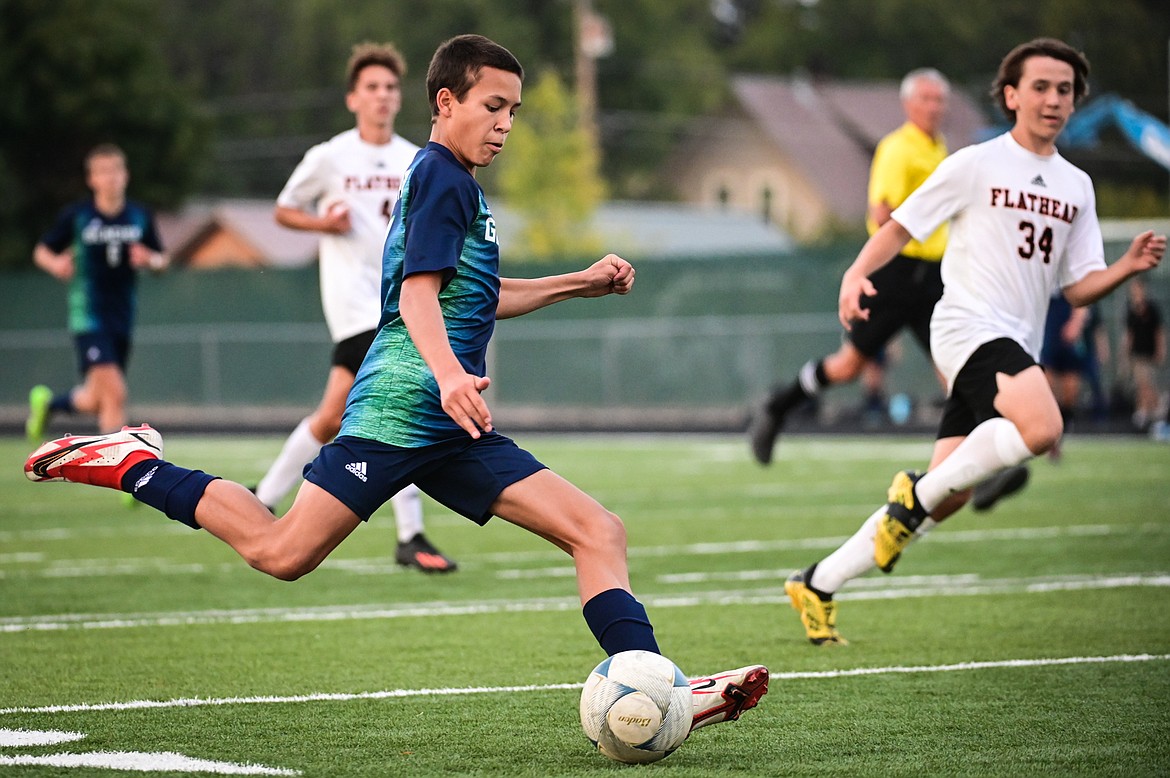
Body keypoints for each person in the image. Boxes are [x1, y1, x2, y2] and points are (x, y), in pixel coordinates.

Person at [25, 34, 769, 731]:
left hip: (452, 428)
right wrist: (449, 376)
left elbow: (479, 295)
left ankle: (660, 685)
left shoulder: (459, 186)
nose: (506, 123)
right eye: (493, 106)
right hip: (395, 415)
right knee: (282, 552)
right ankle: (134, 462)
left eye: (514, 110)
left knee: (597, 531)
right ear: (445, 102)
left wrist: (582, 282)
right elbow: (416, 297)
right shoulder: (442, 176)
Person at [781, 37, 1165, 645]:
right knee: (1043, 428)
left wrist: (1126, 268)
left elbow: (1080, 285)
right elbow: (902, 226)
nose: (1053, 99)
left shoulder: (1077, 187)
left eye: (1065, 90)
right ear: (1011, 95)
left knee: (946, 497)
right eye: (1040, 87)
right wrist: (856, 273)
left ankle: (819, 582)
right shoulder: (975, 163)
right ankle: (912, 494)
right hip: (965, 326)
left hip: (1016, 343)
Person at [747, 67, 1029, 511]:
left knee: (954, 367)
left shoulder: (940, 149)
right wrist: (924, 224)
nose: (937, 107)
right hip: (895, 273)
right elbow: (882, 215)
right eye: (928, 99)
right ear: (908, 104)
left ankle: (988, 464)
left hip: (934, 276)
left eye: (941, 100)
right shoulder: (897, 149)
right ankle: (779, 405)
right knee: (848, 366)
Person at [255, 42, 455, 573]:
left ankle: (264, 497)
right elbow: (283, 210)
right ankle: (409, 533)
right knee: (403, 399)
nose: (383, 96)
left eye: (391, 87)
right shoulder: (330, 156)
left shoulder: (416, 158)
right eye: (372, 87)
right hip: (353, 305)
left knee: (336, 415)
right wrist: (324, 224)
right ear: (352, 98)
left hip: (399, 299)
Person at [26, 143, 168, 442]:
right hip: (88, 316)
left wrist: (150, 260)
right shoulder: (77, 216)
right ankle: (121, 473)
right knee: (116, 393)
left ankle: (50, 405)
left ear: (125, 175)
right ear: (91, 179)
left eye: (116, 170)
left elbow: (162, 258)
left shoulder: (139, 215)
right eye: (103, 172)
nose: (110, 177)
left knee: (97, 398)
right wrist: (56, 264)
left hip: (123, 317)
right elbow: (42, 251)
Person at [1122, 277, 1165, 431]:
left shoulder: (1152, 309)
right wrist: (1125, 355)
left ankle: (1152, 413)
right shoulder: (1130, 310)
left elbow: (1159, 332)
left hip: (1149, 354)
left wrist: (1161, 351)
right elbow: (1129, 336)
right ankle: (1146, 414)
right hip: (1137, 355)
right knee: (1142, 384)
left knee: (1148, 384)